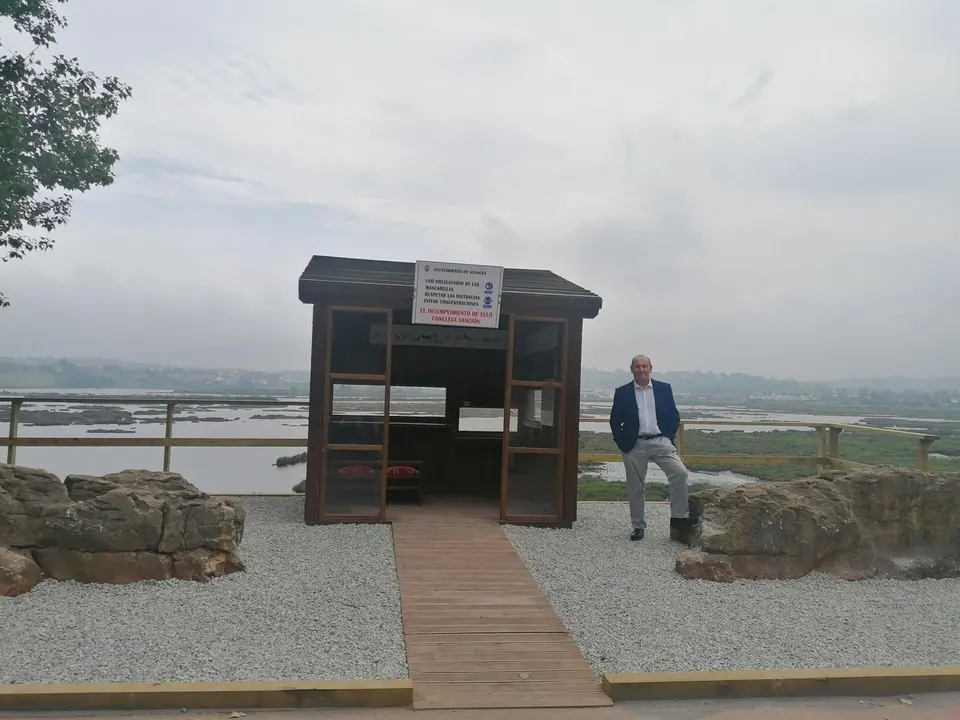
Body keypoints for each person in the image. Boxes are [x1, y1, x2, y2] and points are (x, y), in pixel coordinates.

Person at [608, 354, 697, 544]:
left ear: (650, 368)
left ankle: (679, 519)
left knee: (680, 473)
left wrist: (668, 437)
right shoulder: (623, 392)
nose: (641, 369)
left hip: (660, 441)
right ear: (632, 369)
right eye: (637, 366)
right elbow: (615, 421)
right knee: (636, 487)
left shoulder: (664, 389)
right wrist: (623, 444)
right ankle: (638, 526)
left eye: (644, 366)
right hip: (634, 444)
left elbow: (674, 415)